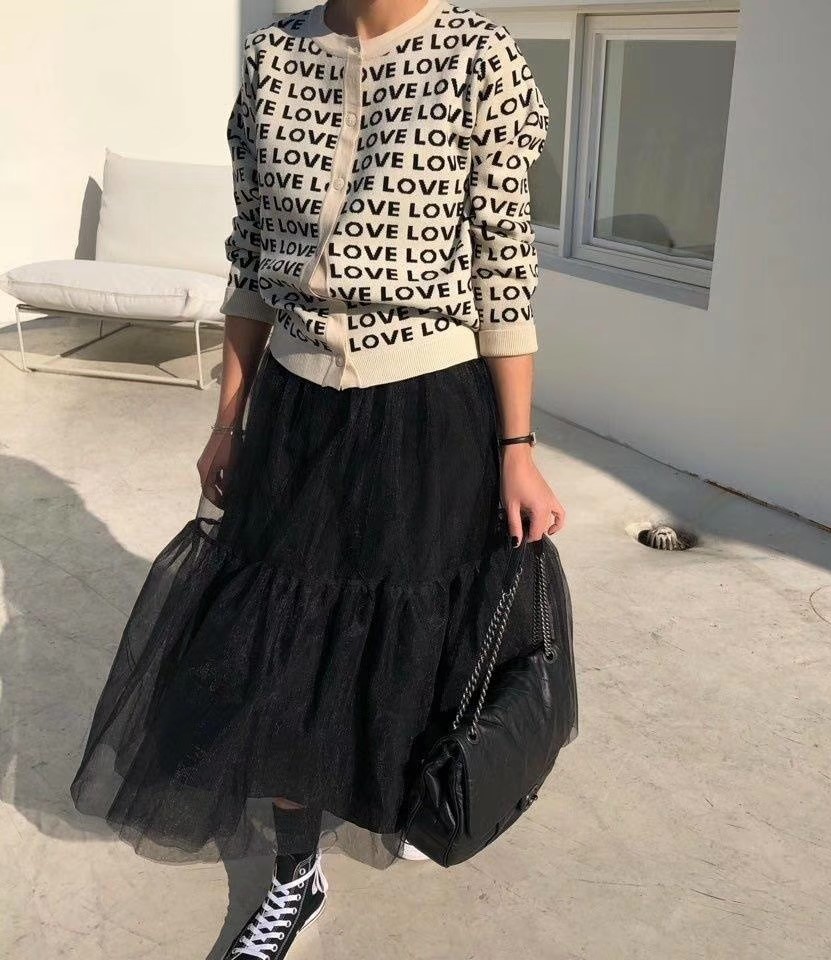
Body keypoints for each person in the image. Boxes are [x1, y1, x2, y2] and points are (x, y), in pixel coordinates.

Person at [70, 1, 564, 957]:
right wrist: (229, 421)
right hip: (298, 409)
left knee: (420, 624)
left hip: (430, 404)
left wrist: (517, 445)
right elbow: (253, 263)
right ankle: (296, 874)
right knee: (283, 647)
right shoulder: (275, 58)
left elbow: (503, 267)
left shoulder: (478, 56)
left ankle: (410, 788)